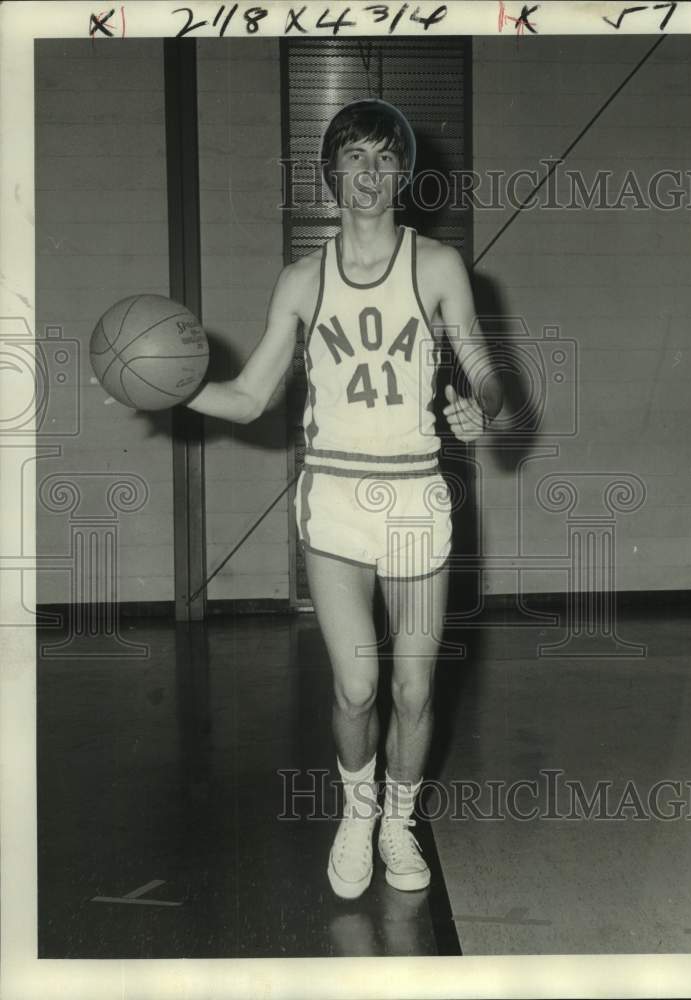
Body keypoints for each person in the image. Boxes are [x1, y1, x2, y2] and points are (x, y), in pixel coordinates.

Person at [187, 99, 502, 899]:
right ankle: (356, 812)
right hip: (333, 496)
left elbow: (486, 369)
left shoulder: (436, 266)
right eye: (353, 159)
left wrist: (484, 406)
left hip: (413, 499)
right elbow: (252, 396)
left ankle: (398, 821)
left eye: (383, 159)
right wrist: (172, 390)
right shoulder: (301, 280)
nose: (368, 175)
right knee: (357, 687)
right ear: (331, 173)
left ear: (403, 171)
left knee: (413, 688)